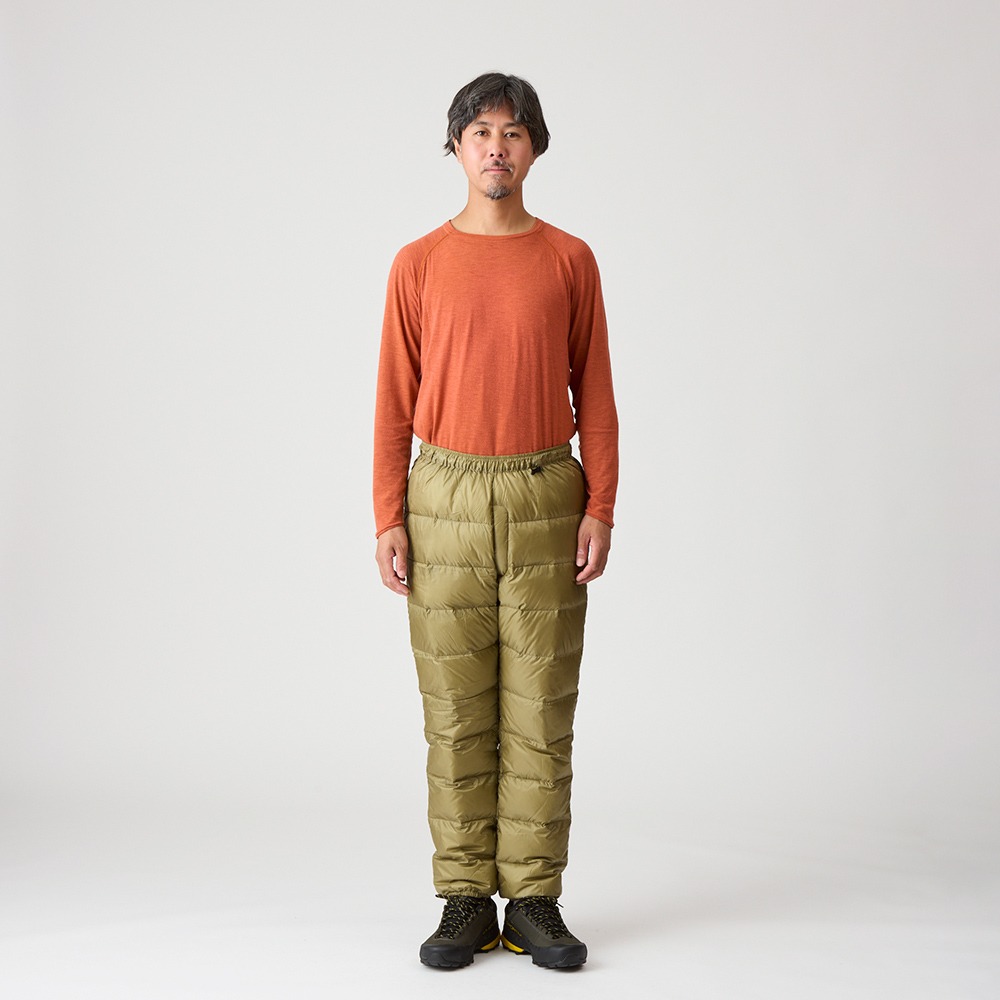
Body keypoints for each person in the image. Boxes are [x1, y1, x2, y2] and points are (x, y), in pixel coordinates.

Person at [373, 72, 618, 970]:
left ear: (535, 148)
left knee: (540, 708)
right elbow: (393, 398)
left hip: (545, 491)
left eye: (513, 132)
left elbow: (596, 390)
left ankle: (536, 900)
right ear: (456, 146)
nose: (496, 148)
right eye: (479, 131)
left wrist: (601, 505)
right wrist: (388, 514)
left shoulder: (569, 259)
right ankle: (466, 899)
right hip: (442, 497)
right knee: (455, 713)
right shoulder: (418, 263)